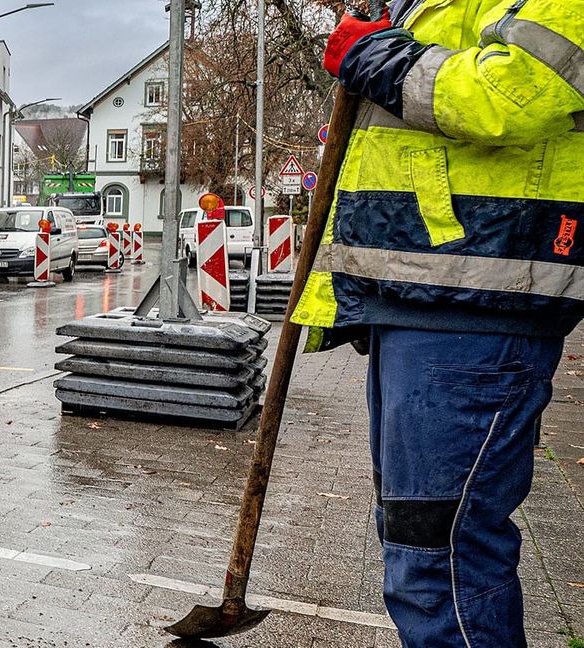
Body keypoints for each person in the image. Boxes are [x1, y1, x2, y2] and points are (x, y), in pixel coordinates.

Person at [296, 1, 584, 646]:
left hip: (477, 299)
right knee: (420, 544)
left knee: (440, 555)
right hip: (434, 296)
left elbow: (503, 99)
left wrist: (374, 54)